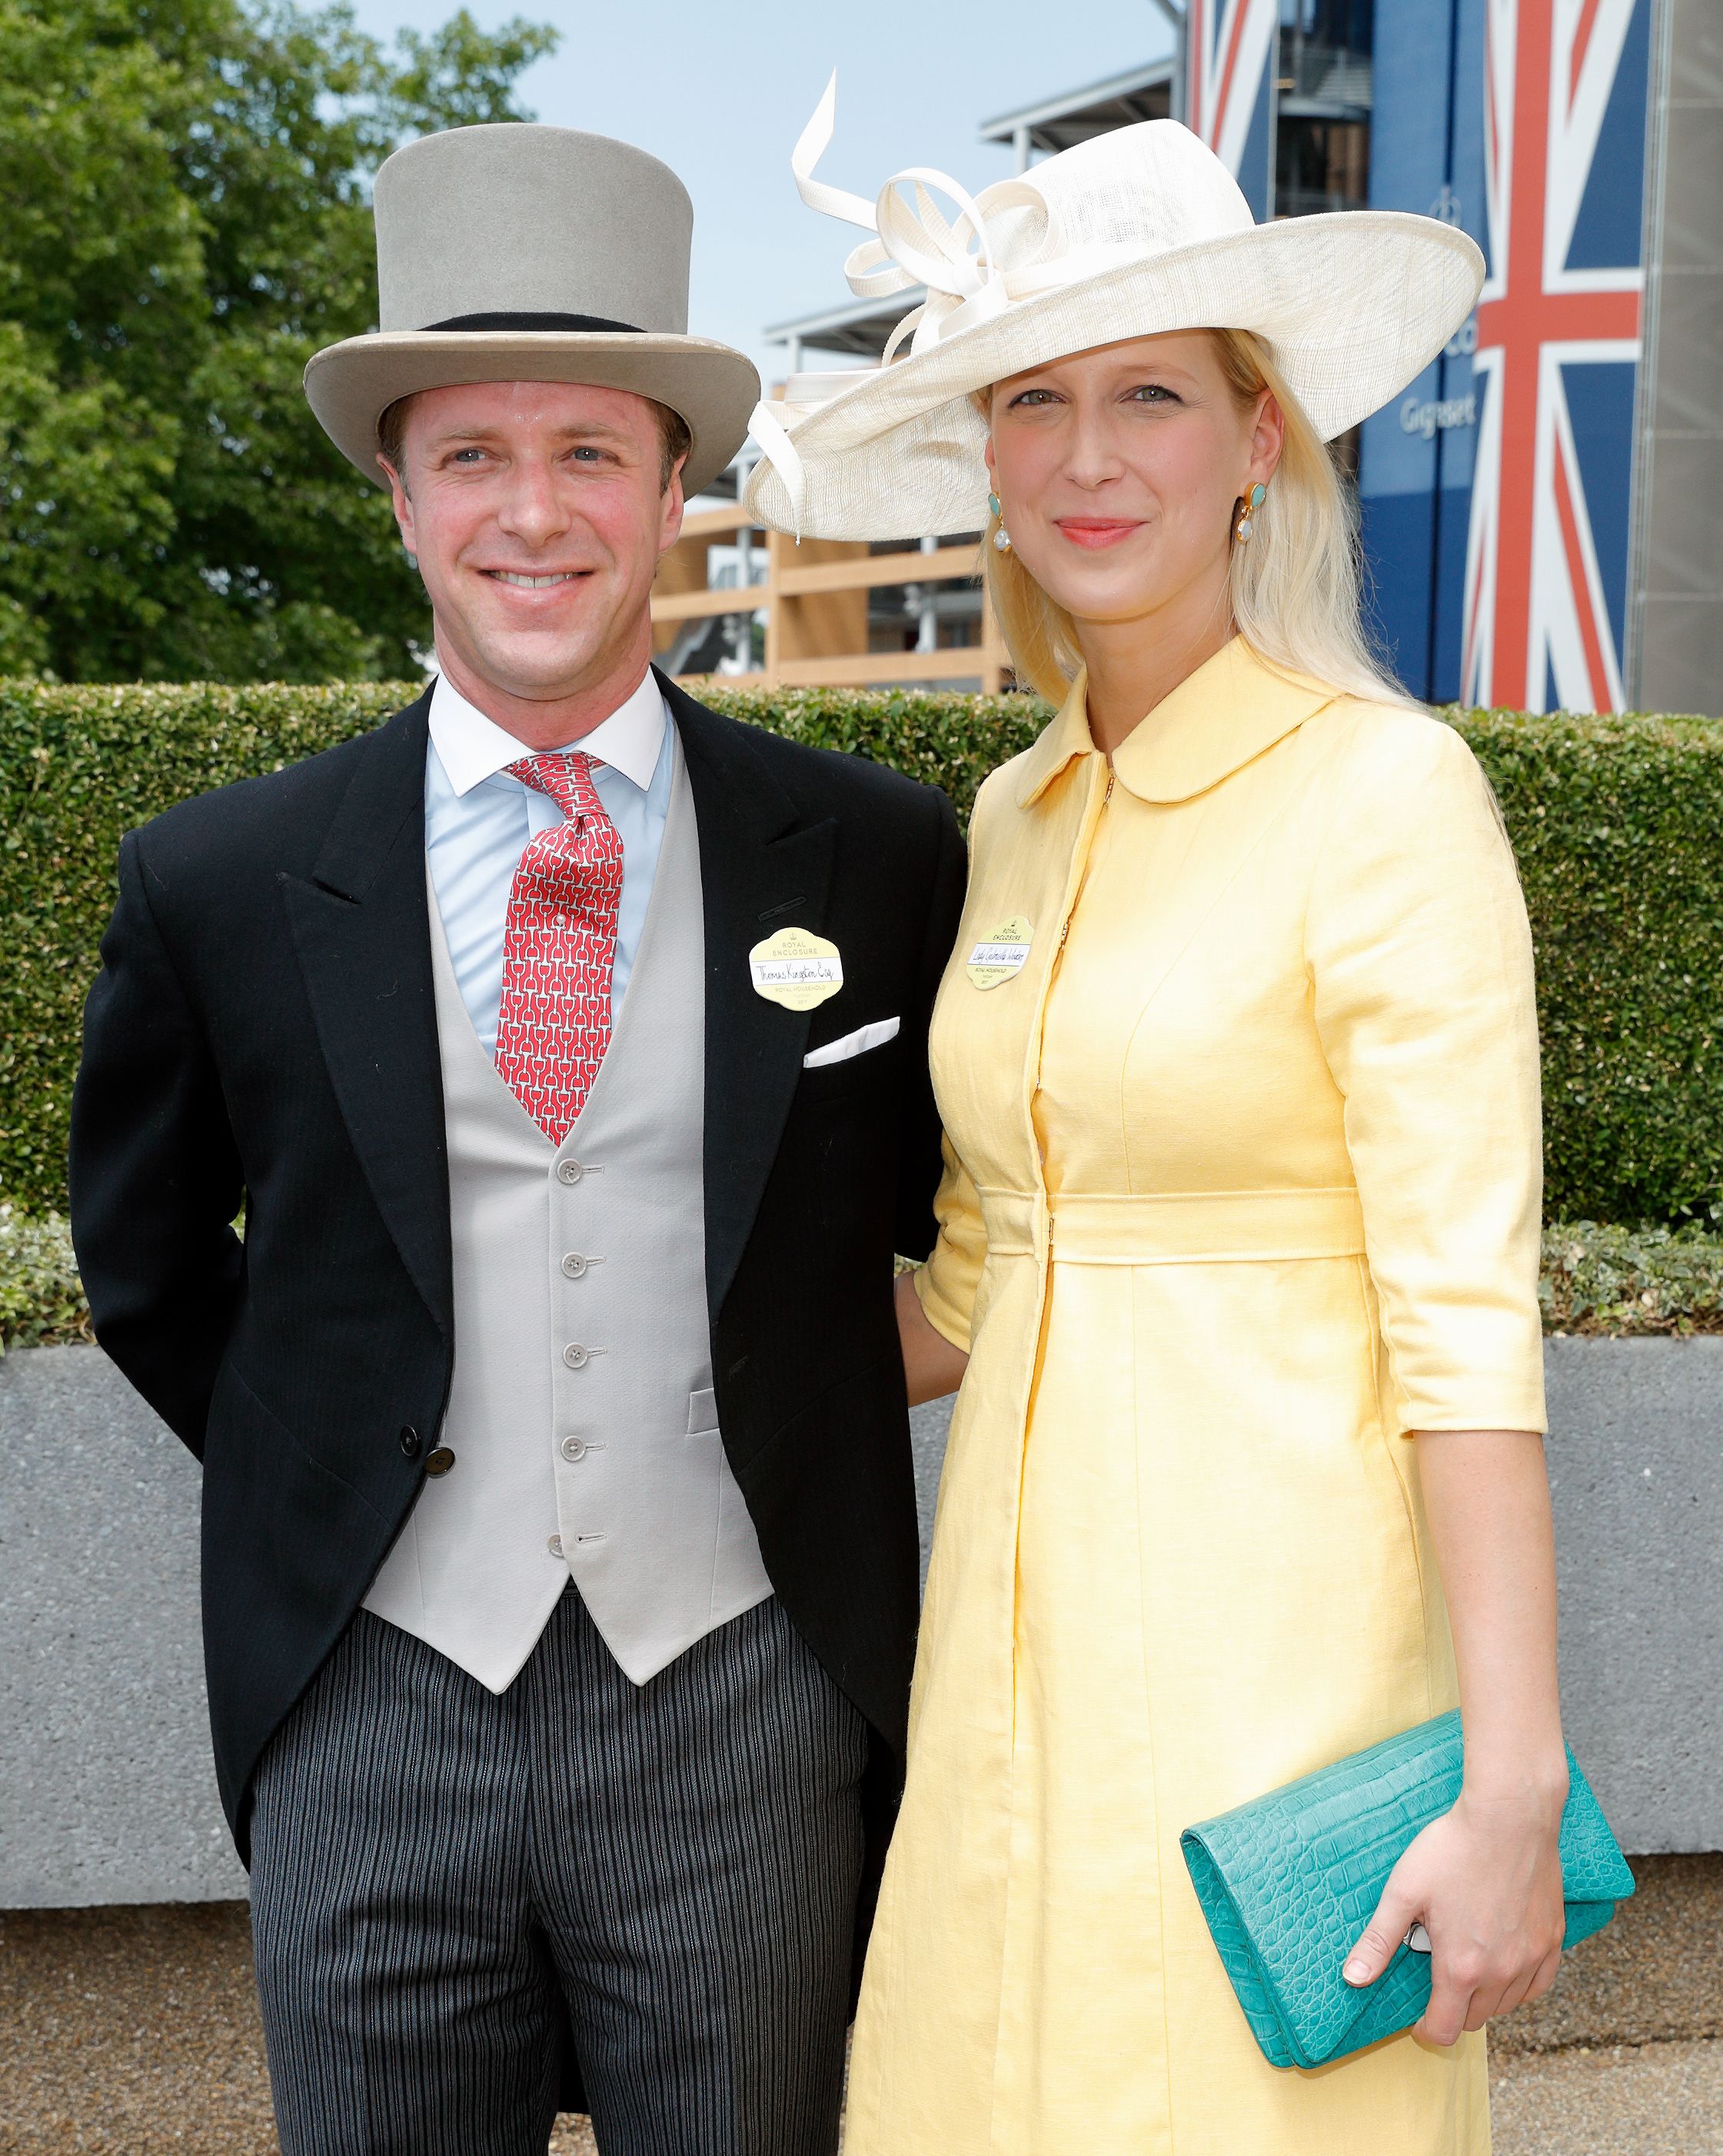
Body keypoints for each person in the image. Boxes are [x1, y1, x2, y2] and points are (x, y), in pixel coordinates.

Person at [69, 121, 965, 2156]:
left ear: (672, 485)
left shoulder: (879, 855)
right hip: (368, 1701)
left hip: (744, 1698)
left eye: (589, 452)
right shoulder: (222, 877)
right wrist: (360, 1465)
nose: (532, 510)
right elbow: (143, 1261)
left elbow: (934, 1218)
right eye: (471, 451)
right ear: (395, 491)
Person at [746, 95, 1565, 2154]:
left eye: (1150, 397)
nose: (1090, 457)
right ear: (985, 456)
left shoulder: (1379, 797)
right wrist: (597, 1320)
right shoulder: (1013, 820)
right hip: (998, 1716)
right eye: (1036, 401)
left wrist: (1508, 1784)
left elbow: (1462, 1316)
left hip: (1279, 1708)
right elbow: (978, 1278)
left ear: (1254, 437)